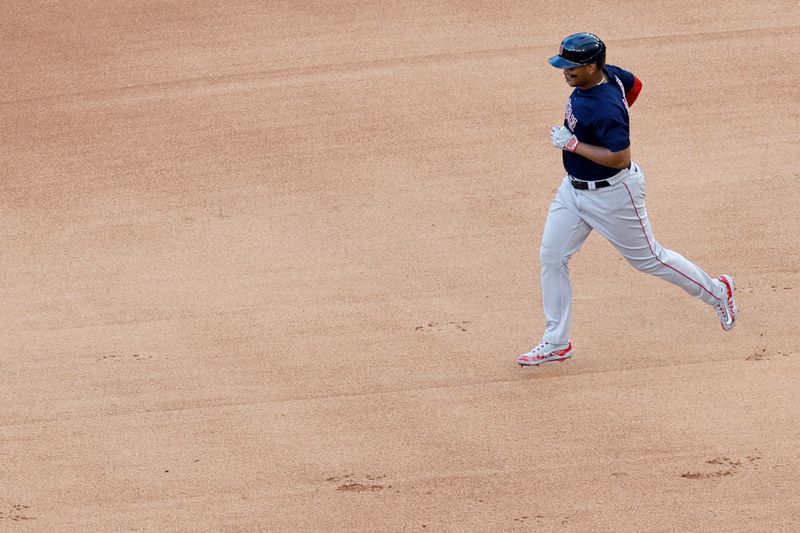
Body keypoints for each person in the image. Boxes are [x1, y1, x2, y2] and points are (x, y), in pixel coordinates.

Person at [517, 33, 738, 367]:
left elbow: (619, 157)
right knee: (551, 255)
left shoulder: (604, 107)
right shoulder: (611, 74)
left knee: (650, 259)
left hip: (614, 195)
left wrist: (574, 145)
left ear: (592, 67)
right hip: (573, 191)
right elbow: (635, 86)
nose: (565, 72)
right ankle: (556, 341)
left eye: (572, 68)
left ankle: (717, 292)